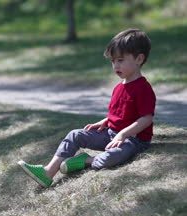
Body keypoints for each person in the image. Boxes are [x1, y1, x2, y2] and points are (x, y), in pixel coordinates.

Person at [18, 28, 156, 188]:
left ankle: (86, 160)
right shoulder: (119, 87)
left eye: (120, 60)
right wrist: (105, 121)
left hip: (133, 140)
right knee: (75, 135)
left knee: (112, 157)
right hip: (111, 133)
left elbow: (146, 118)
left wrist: (123, 135)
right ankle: (48, 172)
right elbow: (122, 112)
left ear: (139, 59)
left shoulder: (142, 88)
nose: (115, 65)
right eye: (113, 61)